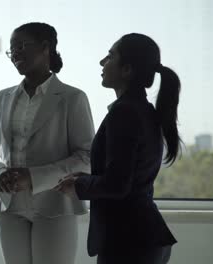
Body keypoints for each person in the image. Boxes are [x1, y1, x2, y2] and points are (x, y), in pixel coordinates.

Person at [55, 33, 179, 264]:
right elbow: (127, 178)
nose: (102, 62)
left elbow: (117, 184)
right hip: (144, 237)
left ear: (127, 70)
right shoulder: (143, 110)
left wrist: (79, 184)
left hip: (128, 241)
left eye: (110, 56)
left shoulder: (125, 113)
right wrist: (87, 178)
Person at [0, 22, 95, 264]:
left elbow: (86, 156)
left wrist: (33, 177)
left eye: (21, 45)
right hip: (8, 206)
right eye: (12, 50)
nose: (16, 54)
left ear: (46, 47)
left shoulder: (72, 98)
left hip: (56, 205)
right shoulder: (3, 97)